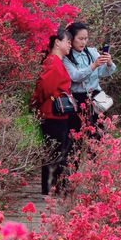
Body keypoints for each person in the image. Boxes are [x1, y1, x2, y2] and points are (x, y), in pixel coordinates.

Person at [32, 28, 78, 195]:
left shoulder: (55, 61)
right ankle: (53, 188)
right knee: (55, 151)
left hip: (54, 113)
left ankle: (53, 187)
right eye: (68, 42)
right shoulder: (53, 62)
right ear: (57, 42)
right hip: (52, 114)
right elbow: (45, 88)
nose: (70, 45)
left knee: (54, 150)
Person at [64, 21, 116, 130]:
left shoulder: (91, 52)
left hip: (96, 97)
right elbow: (75, 76)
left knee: (99, 130)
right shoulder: (66, 57)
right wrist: (93, 66)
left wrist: (109, 62)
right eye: (80, 39)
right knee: (81, 130)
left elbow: (103, 72)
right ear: (72, 38)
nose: (83, 42)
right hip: (78, 98)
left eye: (86, 38)